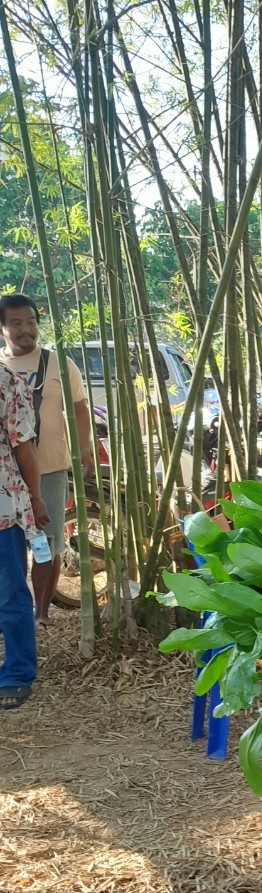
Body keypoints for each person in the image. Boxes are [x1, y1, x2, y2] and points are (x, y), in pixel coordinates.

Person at [0, 295, 95, 624]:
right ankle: (13, 612)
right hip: (7, 478)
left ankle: (40, 614)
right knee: (9, 546)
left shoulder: (58, 363)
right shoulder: (1, 369)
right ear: (2, 328)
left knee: (47, 542)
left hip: (51, 469)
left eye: (30, 322)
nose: (26, 330)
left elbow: (80, 407)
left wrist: (83, 448)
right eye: (16, 323)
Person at [0, 362, 49, 708]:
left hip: (2, 507)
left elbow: (23, 446)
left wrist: (35, 496)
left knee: (10, 593)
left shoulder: (7, 382)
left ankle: (17, 672)